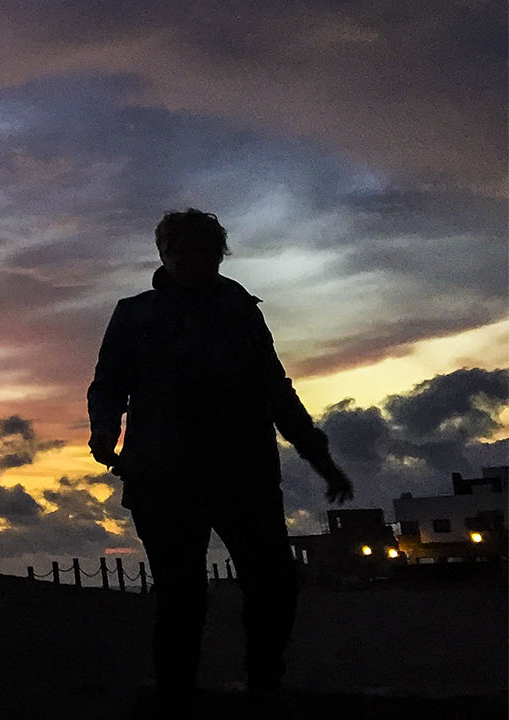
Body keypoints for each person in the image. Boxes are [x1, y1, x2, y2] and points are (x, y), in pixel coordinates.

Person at [87, 208, 353, 711]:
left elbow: (277, 390)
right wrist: (104, 430)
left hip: (242, 474)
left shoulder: (241, 312)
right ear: (164, 254)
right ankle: (177, 697)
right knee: (181, 599)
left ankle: (263, 688)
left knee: (273, 586)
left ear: (217, 255)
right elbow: (108, 385)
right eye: (179, 250)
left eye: (201, 251)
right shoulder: (134, 313)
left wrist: (319, 457)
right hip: (162, 477)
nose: (190, 260)